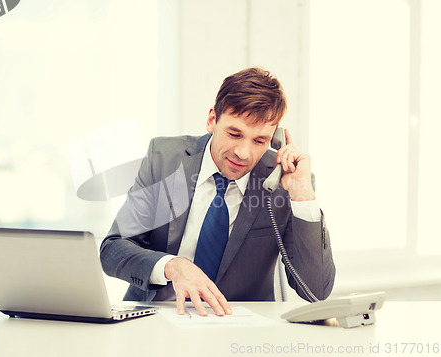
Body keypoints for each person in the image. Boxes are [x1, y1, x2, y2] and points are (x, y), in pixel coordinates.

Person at [100, 67, 335, 317]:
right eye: (234, 134)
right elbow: (113, 249)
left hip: (238, 326)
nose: (243, 153)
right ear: (212, 119)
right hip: (157, 316)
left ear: (274, 138)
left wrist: (302, 195)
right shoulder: (165, 158)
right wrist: (172, 266)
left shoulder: (283, 181)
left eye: (259, 141)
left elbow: (315, 291)